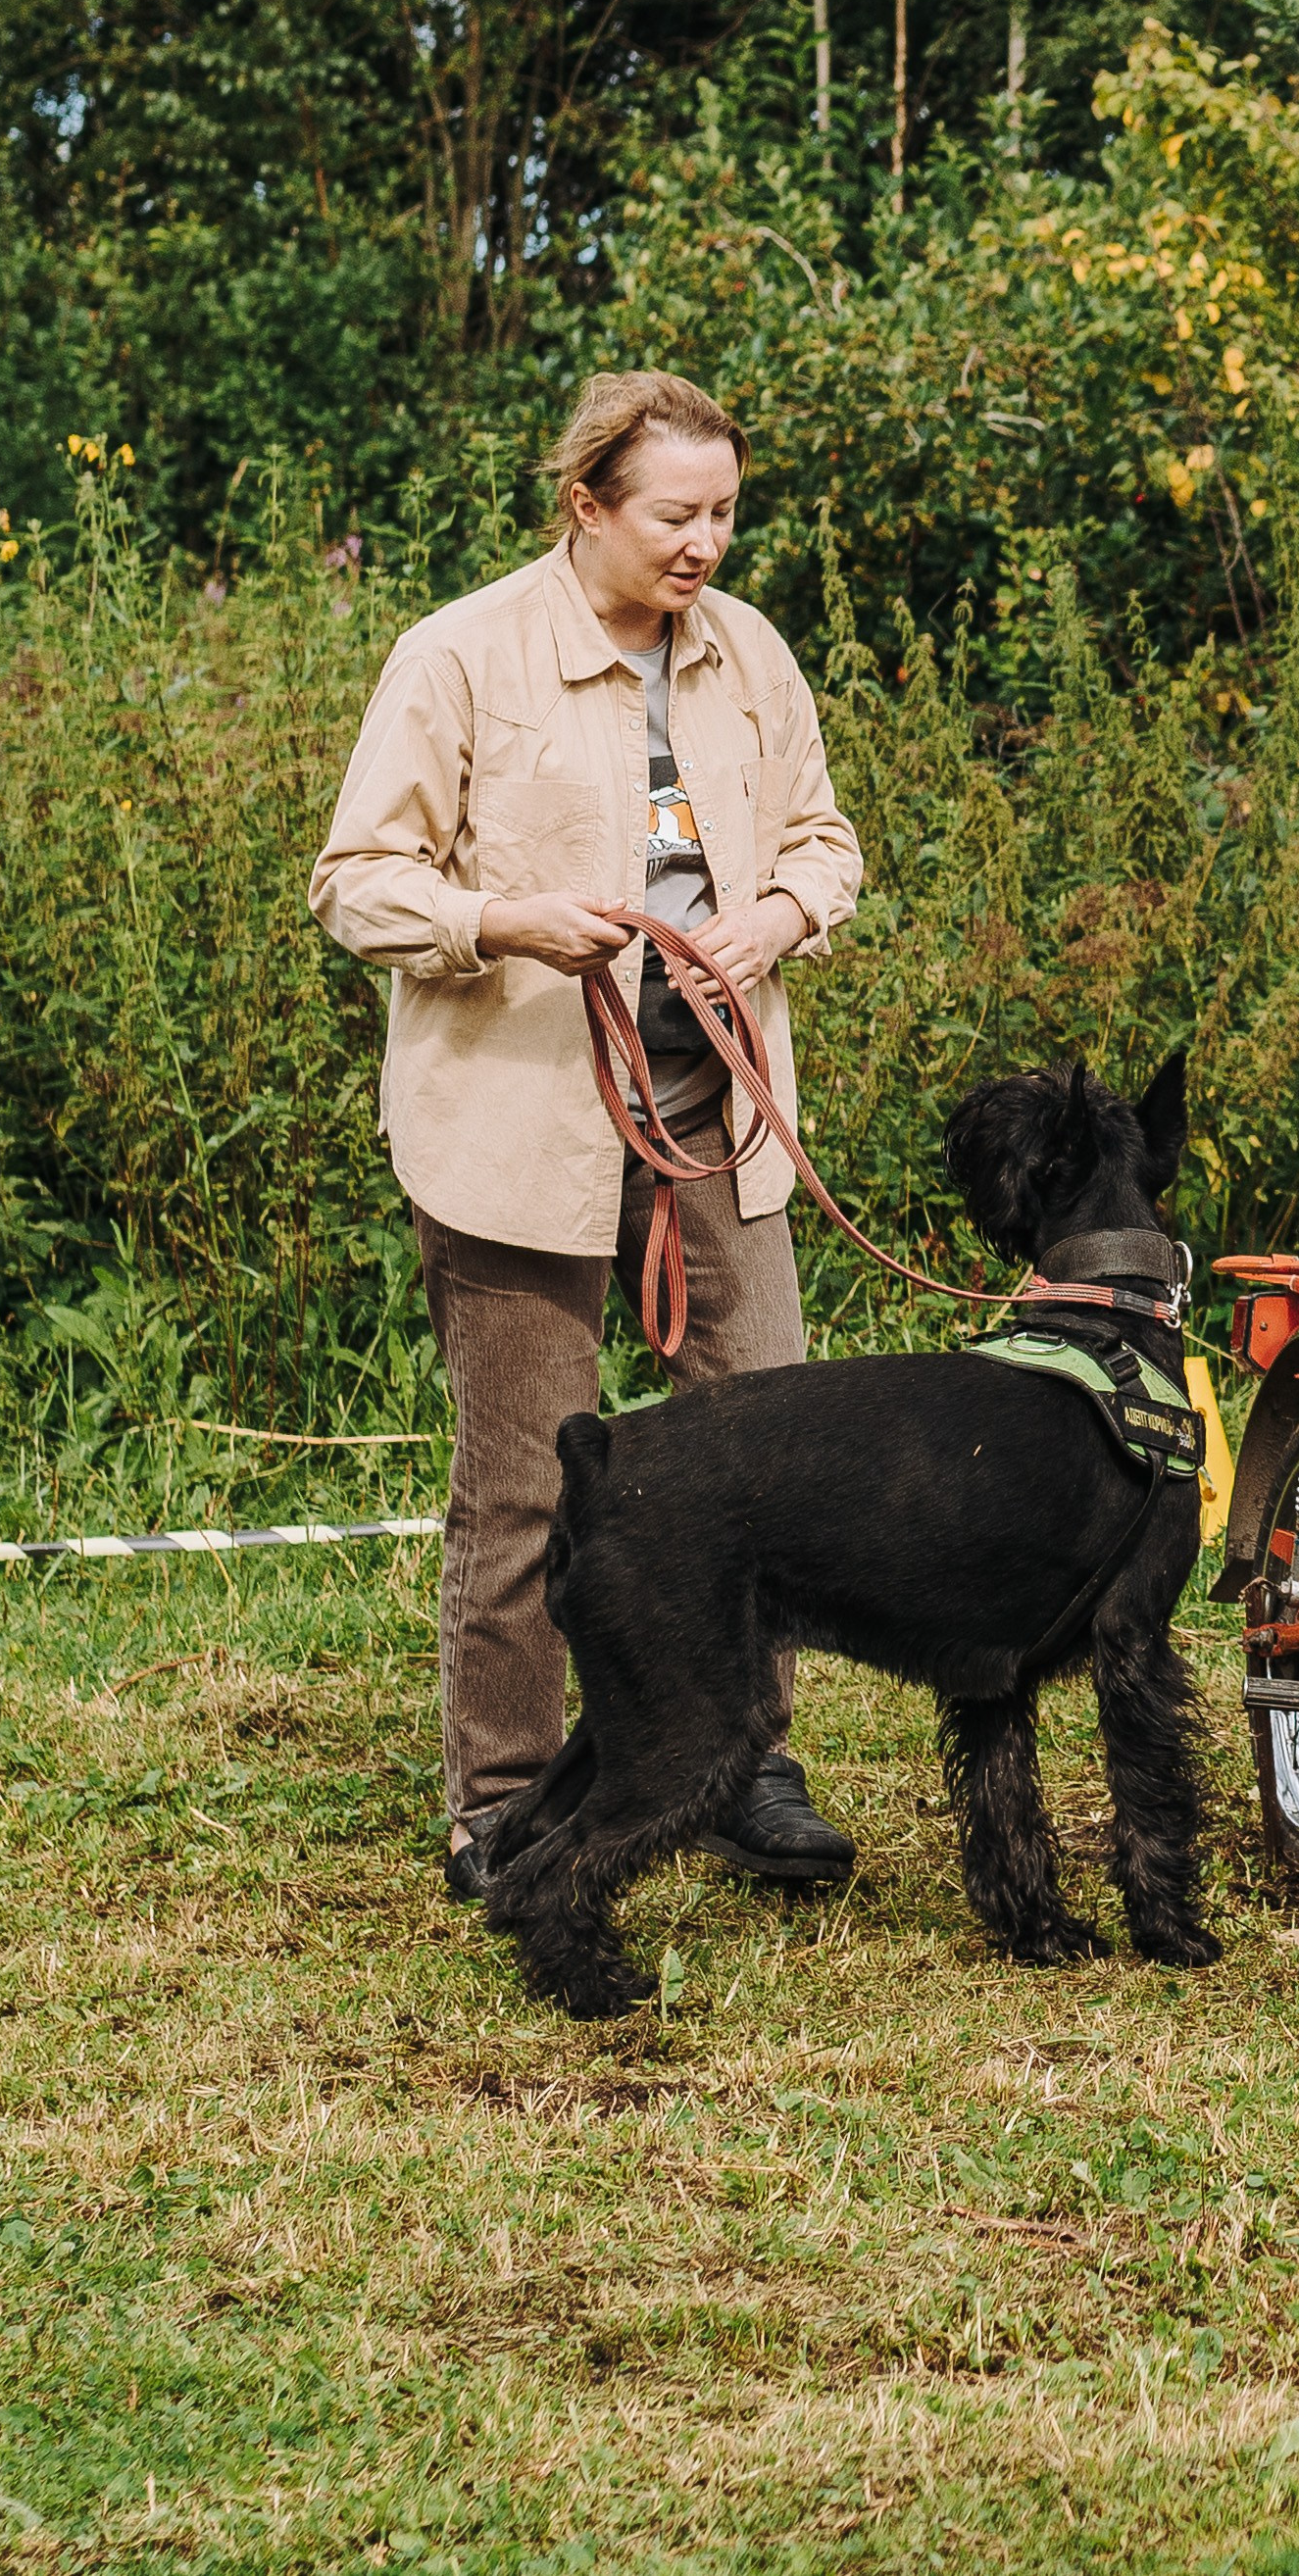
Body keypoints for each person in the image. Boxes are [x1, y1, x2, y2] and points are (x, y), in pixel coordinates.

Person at [310, 370, 865, 1901]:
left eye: (726, 512)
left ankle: (746, 1761)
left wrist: (773, 914)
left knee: (764, 1459)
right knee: (526, 1486)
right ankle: (497, 1800)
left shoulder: (751, 653)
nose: (706, 544)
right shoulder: (458, 655)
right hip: (516, 1129)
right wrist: (501, 918)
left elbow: (827, 838)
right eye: (675, 515)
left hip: (717, 1125)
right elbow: (355, 879)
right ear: (587, 506)